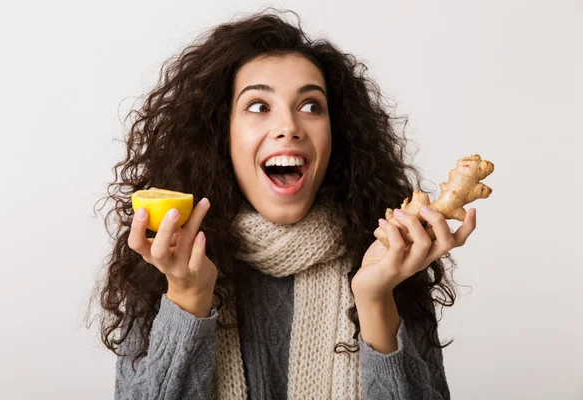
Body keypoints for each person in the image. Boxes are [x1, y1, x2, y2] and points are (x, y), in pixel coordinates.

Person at [91, 8, 478, 400]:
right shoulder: (166, 258)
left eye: (311, 106)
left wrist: (376, 300)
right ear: (219, 133)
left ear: (337, 134)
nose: (290, 127)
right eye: (258, 106)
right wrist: (187, 298)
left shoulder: (389, 257)